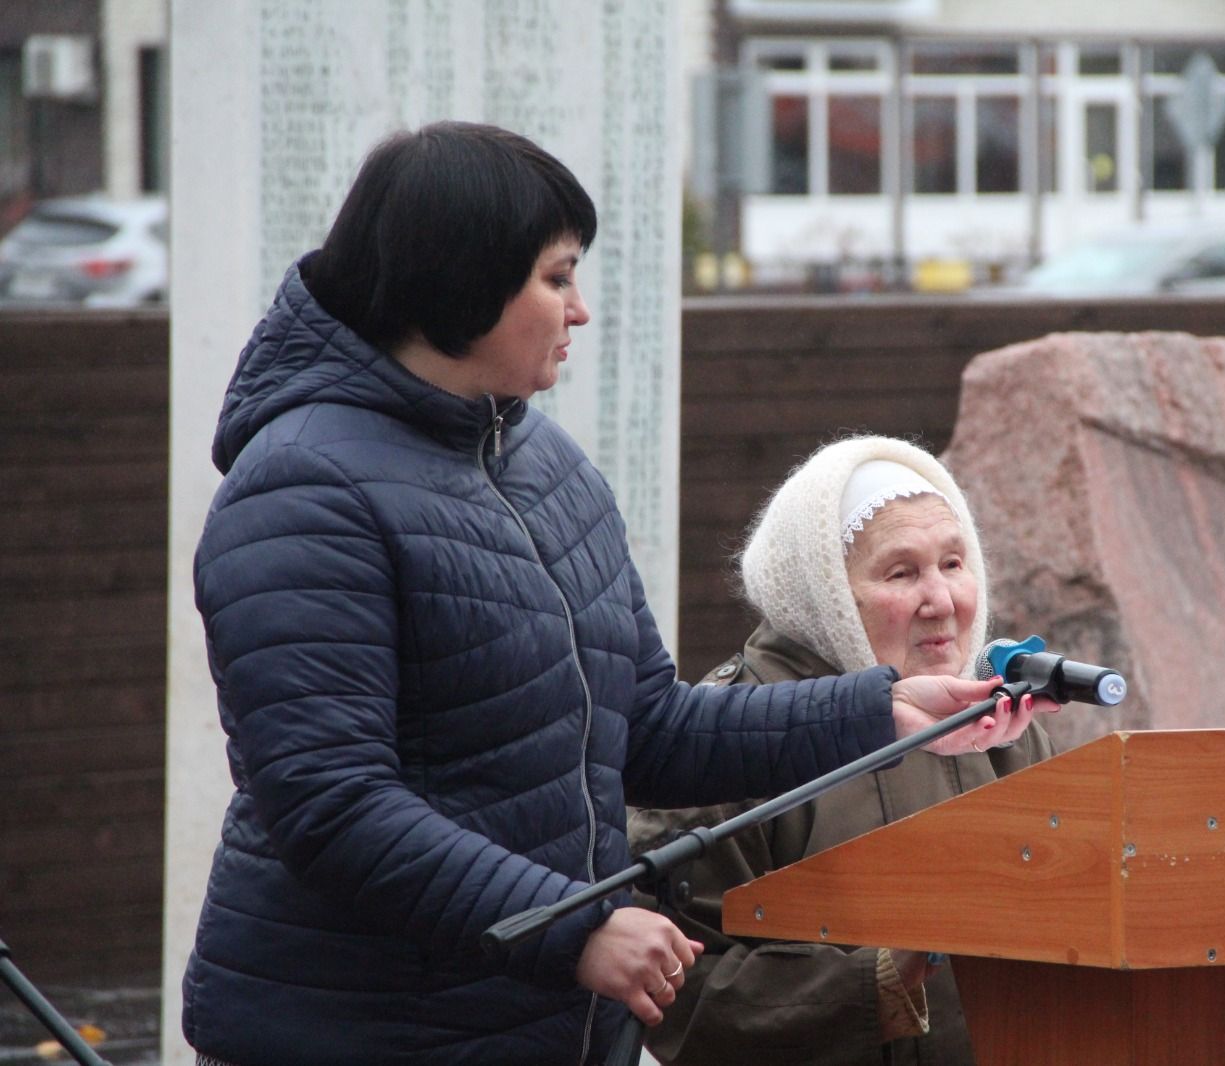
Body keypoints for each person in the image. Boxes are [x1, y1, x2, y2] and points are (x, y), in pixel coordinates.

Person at [180, 123, 1043, 1066]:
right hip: (361, 1029)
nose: (579, 311)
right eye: (556, 279)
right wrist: (574, 929)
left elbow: (651, 728)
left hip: (546, 1029)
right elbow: (331, 803)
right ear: (463, 281)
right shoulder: (302, 487)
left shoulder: (547, 467)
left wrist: (881, 712)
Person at [629, 436, 1056, 1066]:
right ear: (821, 588)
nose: (942, 601)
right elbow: (678, 994)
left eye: (954, 563)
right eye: (902, 572)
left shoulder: (1004, 726)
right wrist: (875, 983)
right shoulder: (730, 738)